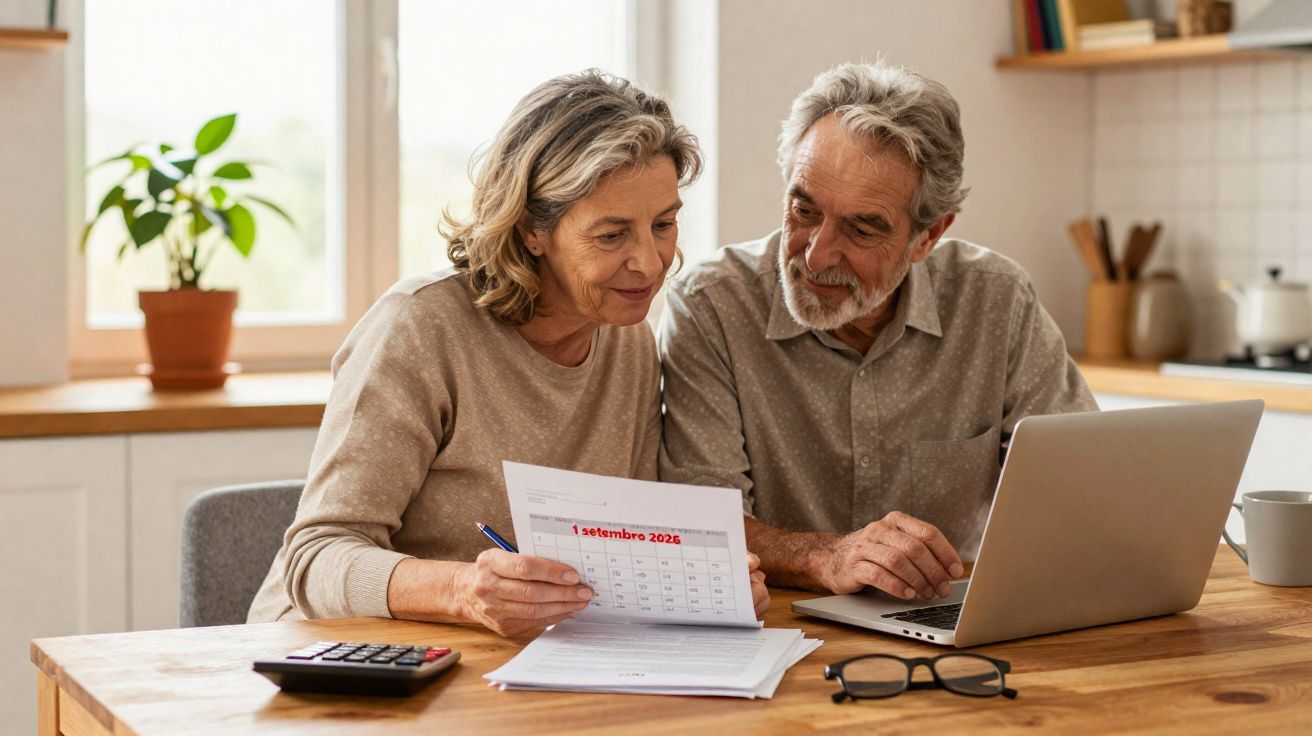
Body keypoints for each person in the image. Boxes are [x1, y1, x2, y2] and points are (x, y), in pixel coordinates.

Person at [249, 70, 770, 634]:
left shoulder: (628, 339)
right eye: (612, 235)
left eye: (663, 224)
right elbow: (317, 558)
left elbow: (620, 544)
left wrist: (705, 580)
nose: (650, 262)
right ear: (531, 230)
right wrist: (462, 590)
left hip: (503, 660)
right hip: (331, 655)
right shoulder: (419, 329)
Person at [658, 61, 1096, 605]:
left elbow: (1080, 488)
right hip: (780, 628)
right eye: (803, 210)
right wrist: (825, 556)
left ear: (927, 237)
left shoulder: (996, 301)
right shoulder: (711, 308)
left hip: (951, 617)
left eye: (862, 229)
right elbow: (701, 519)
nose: (816, 254)